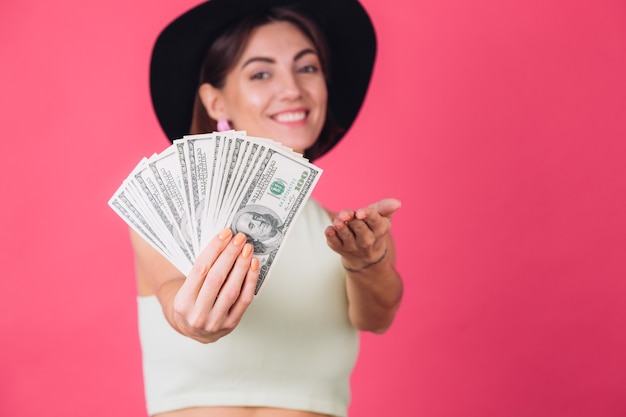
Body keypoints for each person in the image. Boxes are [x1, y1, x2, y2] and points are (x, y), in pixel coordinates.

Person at [130, 0, 404, 416]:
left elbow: (377, 318)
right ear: (215, 102)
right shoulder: (170, 208)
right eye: (261, 72)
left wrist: (369, 261)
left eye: (307, 67)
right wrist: (196, 323)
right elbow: (176, 304)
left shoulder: (350, 234)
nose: (292, 88)